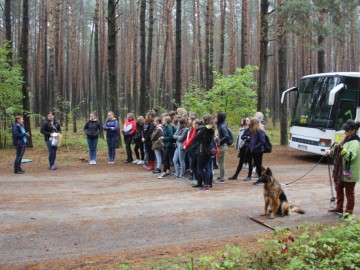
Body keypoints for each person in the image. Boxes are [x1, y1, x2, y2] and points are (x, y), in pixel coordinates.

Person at [327, 119, 360, 218]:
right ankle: (339, 209)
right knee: (339, 190)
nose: (344, 132)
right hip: (341, 171)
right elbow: (338, 149)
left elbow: (351, 156)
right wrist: (331, 151)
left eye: (346, 130)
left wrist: (340, 149)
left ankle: (349, 213)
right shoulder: (346, 139)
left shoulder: (355, 142)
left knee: (349, 193)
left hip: (350, 172)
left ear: (353, 130)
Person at [193, 113, 215, 190]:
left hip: (202, 150)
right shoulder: (213, 128)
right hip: (210, 150)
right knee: (208, 167)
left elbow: (196, 137)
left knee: (200, 168)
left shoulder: (204, 129)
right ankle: (207, 184)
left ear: (204, 120)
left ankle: (205, 184)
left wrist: (200, 138)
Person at [248, 117, 265, 185]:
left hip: (259, 151)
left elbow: (262, 141)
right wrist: (250, 147)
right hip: (254, 151)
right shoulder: (252, 131)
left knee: (258, 164)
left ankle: (261, 179)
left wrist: (255, 147)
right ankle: (260, 179)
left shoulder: (260, 131)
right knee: (256, 164)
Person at [214, 112, 230, 184]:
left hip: (222, 146)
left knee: (221, 163)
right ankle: (221, 177)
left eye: (216, 117)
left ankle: (222, 178)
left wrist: (219, 142)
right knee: (220, 162)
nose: (215, 118)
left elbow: (226, 136)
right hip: (220, 146)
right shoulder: (219, 126)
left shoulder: (222, 126)